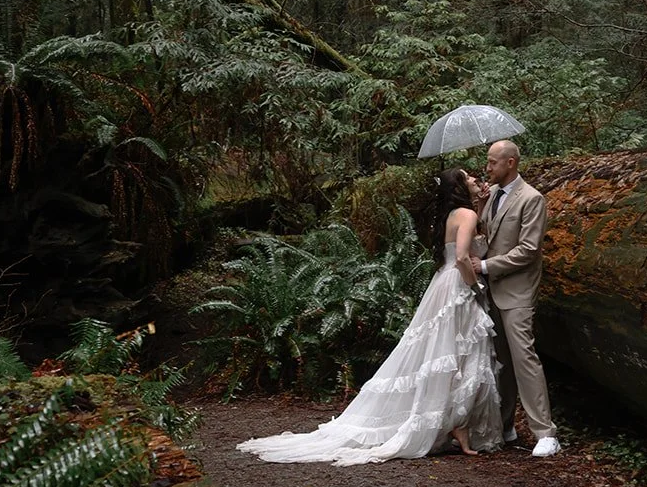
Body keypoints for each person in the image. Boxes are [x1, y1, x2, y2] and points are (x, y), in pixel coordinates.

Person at [237, 168, 502, 465]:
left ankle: (457, 421)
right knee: (457, 354)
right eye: (468, 178)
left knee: (449, 354)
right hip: (458, 287)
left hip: (443, 282)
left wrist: (480, 207)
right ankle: (457, 422)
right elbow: (464, 256)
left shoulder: (455, 214)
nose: (475, 180)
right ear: (458, 187)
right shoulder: (466, 215)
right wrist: (474, 287)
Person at [463, 139, 559, 458]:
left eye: (492, 162)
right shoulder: (491, 197)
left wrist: (487, 266)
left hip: (517, 291)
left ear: (511, 162)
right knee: (499, 362)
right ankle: (504, 426)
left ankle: (545, 433)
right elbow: (485, 237)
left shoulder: (532, 199)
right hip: (491, 292)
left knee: (523, 358)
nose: (487, 168)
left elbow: (529, 250)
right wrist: (479, 207)